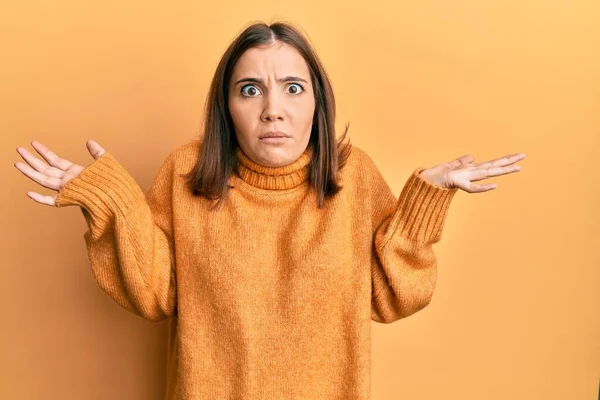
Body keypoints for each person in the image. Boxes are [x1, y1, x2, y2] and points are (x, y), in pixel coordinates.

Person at [13, 21, 525, 400]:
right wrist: (116, 202)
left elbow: (393, 298)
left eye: (293, 88)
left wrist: (420, 208)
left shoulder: (354, 177)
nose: (272, 108)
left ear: (316, 105)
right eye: (250, 89)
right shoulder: (185, 174)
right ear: (226, 107)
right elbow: (153, 294)